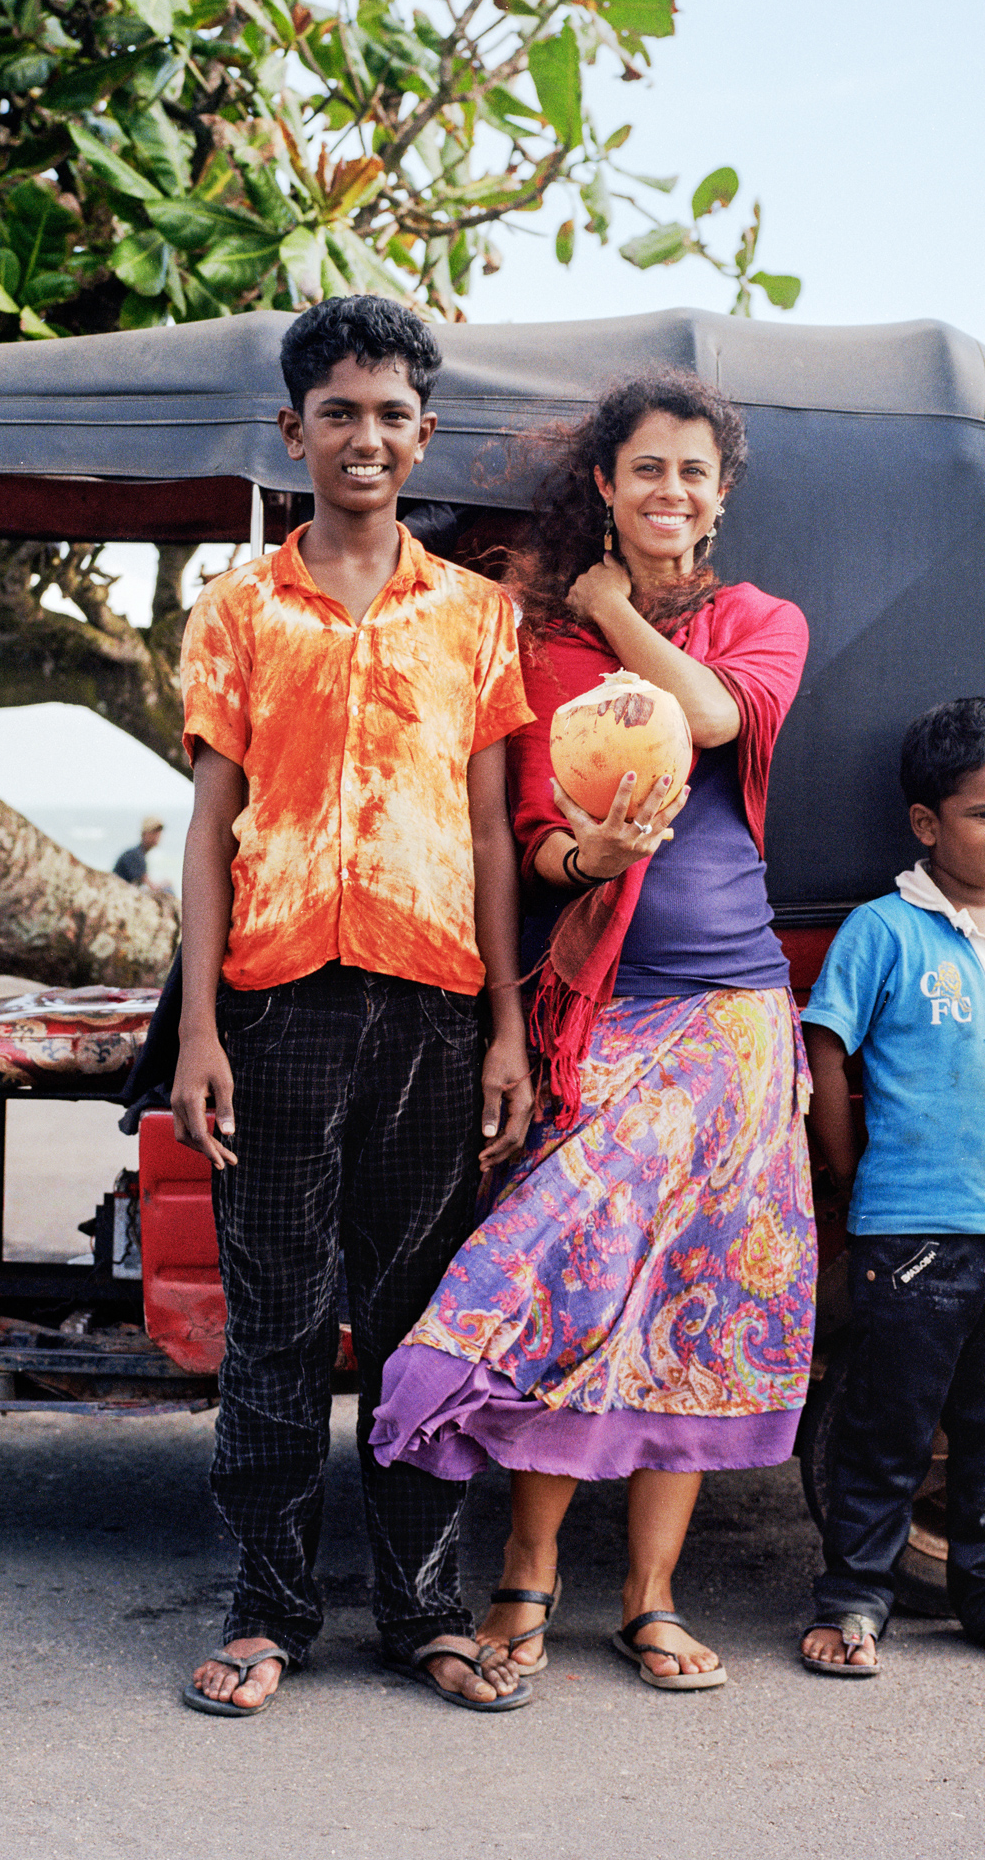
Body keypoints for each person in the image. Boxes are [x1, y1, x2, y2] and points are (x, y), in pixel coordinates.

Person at [370, 366, 815, 1693]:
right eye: (647, 470)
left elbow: (717, 718)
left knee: (699, 1300)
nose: (671, 490)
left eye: (695, 472)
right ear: (607, 488)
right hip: (603, 1015)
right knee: (573, 1285)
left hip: (737, 1017)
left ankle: (652, 1600)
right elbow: (524, 835)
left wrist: (618, 608)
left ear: (720, 496)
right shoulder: (530, 642)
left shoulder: (757, 621)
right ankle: (525, 1577)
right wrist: (586, 856)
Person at [171, 295, 539, 1716]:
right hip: (277, 1006)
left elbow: (497, 834)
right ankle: (268, 1613)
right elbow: (209, 832)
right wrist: (201, 1028)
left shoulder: (478, 617)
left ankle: (423, 1613)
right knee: (275, 1320)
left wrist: (506, 1027)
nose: (366, 436)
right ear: (294, 433)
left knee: (412, 1323)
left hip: (438, 1009)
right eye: (339, 412)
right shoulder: (244, 610)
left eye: (391, 414)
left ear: (424, 435)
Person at [795, 697, 985, 1676]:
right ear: (927, 823)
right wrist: (846, 1169)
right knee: (885, 1427)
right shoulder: (884, 930)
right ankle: (854, 1600)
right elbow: (827, 1044)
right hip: (912, 1232)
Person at [113, 815, 166, 891]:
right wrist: (165, 883)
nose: (157, 836)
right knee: (167, 889)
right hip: (117, 893)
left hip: (123, 892)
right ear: (144, 834)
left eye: (158, 832)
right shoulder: (135, 855)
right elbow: (152, 886)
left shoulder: (138, 853)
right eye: (153, 832)